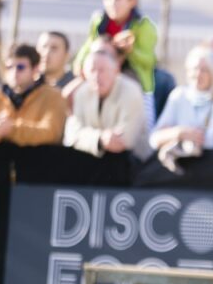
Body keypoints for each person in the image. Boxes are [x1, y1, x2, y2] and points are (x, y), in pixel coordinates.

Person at [75, 0, 158, 129]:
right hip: (101, 79)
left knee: (143, 125)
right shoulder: (99, 20)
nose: (113, 3)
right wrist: (80, 63)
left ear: (132, 1)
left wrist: (130, 51)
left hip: (134, 79)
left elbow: (149, 61)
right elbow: (89, 44)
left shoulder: (143, 25)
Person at [62, 50, 149, 185]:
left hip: (134, 165)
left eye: (102, 70)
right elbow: (72, 135)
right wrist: (100, 139)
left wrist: (91, 138)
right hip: (93, 158)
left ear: (116, 70)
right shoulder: (81, 92)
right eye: (92, 70)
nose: (97, 76)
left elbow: (125, 141)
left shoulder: (131, 91)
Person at [149, 46, 213, 165]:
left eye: (204, 70)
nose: (198, 74)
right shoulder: (179, 95)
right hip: (180, 170)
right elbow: (154, 139)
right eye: (194, 69)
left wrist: (171, 136)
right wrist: (179, 132)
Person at [0, 44, 69, 147]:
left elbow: (51, 133)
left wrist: (12, 129)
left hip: (38, 160)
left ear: (35, 69)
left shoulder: (53, 95)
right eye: (9, 67)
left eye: (20, 67)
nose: (14, 72)